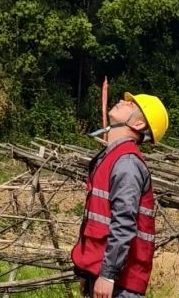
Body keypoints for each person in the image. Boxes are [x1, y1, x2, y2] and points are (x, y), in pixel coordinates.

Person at [72, 92, 169, 298]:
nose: (124, 100)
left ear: (139, 123)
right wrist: (90, 272)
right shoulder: (112, 156)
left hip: (120, 284)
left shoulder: (127, 163)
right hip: (106, 277)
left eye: (132, 103)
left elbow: (124, 224)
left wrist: (107, 275)